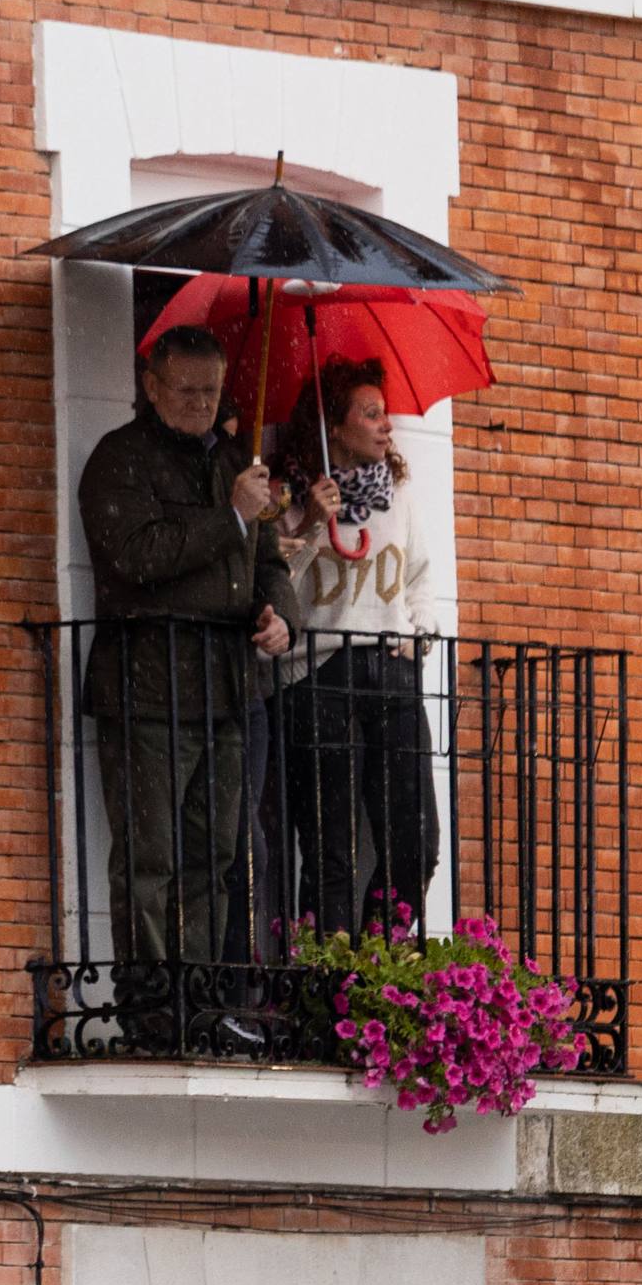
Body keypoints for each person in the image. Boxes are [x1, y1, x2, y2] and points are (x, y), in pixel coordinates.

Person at [77, 327, 302, 1015]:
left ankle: (201, 1002)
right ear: (151, 386)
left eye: (211, 390)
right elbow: (137, 554)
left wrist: (279, 615)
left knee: (216, 855)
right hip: (147, 691)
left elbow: (265, 560)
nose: (202, 403)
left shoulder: (230, 462)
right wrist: (229, 515)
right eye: (186, 390)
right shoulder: (120, 459)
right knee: (150, 857)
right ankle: (149, 1005)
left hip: (227, 691)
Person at [275, 356, 439, 937]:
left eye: (385, 413)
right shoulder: (289, 499)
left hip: (391, 671)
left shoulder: (396, 495)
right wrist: (309, 526)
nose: (386, 425)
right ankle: (330, 990)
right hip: (316, 677)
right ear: (333, 426)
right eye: (371, 414)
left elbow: (421, 579)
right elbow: (272, 592)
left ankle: (375, 958)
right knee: (331, 852)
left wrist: (419, 638)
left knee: (416, 841)